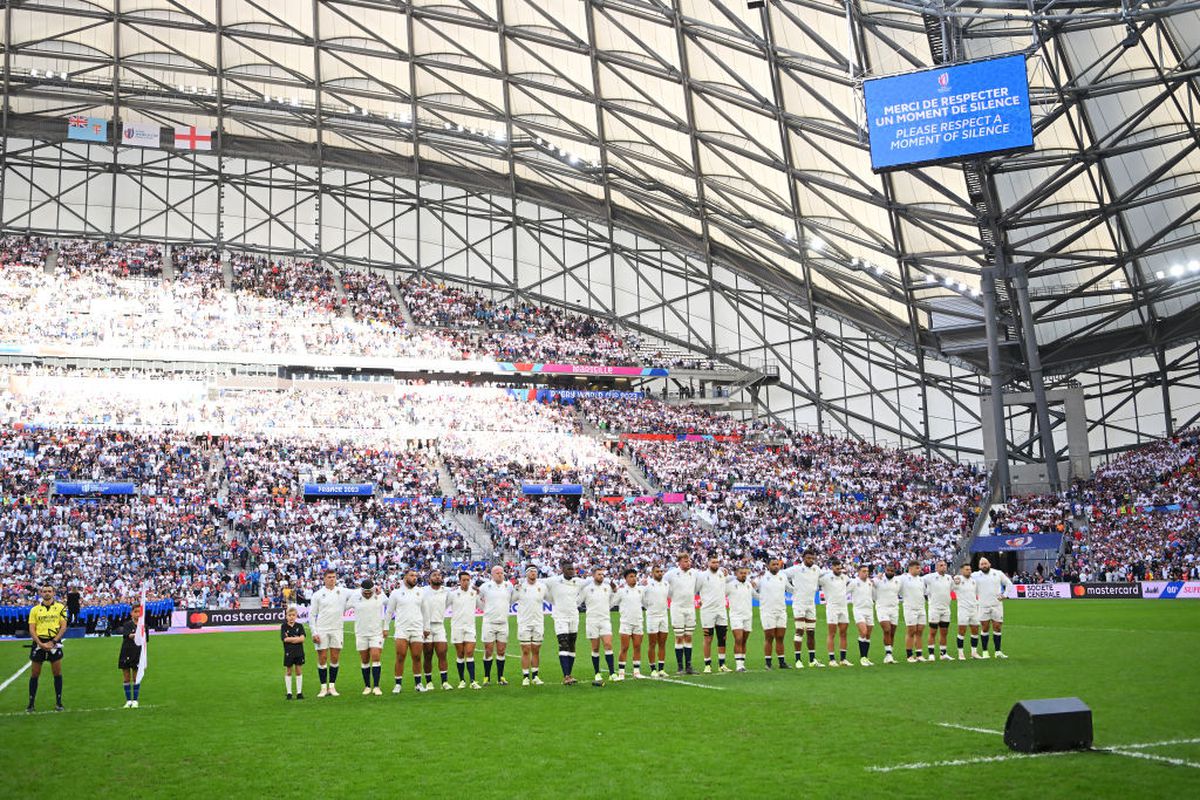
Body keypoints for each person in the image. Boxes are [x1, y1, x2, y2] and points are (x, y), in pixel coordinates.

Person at [310, 569, 354, 697]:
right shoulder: (318, 594)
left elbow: (358, 592)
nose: (332, 579)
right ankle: (323, 687)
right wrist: (314, 632)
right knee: (322, 657)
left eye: (334, 577)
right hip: (322, 629)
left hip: (337, 629)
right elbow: (312, 615)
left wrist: (373, 589)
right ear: (324, 579)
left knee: (335, 657)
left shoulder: (342, 591)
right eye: (329, 577)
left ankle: (332, 686)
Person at [544, 561, 587, 685]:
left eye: (572, 569)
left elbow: (592, 581)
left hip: (574, 616)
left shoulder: (577, 581)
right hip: (560, 617)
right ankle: (566, 675)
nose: (571, 571)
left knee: (572, 644)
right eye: (568, 569)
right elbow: (539, 583)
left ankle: (569, 674)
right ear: (562, 569)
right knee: (563, 643)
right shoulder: (554, 581)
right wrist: (553, 601)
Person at [27, 584, 67, 712]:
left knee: (57, 673)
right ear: (41, 593)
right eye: (44, 591)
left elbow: (63, 626)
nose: (47, 593)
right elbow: (32, 629)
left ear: (54, 592)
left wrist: (53, 641)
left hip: (54, 642)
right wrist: (40, 643)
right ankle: (31, 703)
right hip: (39, 642)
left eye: (49, 591)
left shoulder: (61, 608)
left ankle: (59, 702)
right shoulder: (34, 610)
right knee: (34, 674)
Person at [387, 569, 426, 693]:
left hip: (417, 628)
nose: (414, 577)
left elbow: (426, 611)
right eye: (412, 575)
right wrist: (385, 627)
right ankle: (398, 684)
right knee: (400, 656)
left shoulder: (421, 592)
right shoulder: (396, 593)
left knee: (417, 656)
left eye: (416, 575)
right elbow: (389, 612)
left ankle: (418, 684)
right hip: (402, 629)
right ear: (405, 578)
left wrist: (427, 627)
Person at [347, 579, 386, 696]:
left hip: (376, 633)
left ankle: (377, 686)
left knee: (376, 657)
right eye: (365, 592)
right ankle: (367, 686)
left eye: (370, 592)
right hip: (361, 633)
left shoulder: (380, 595)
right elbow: (343, 607)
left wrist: (381, 593)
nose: (368, 594)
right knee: (364, 660)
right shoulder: (355, 597)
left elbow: (391, 605)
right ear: (362, 590)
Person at [785, 550, 823, 667]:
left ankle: (812, 660)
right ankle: (798, 660)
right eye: (808, 558)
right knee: (800, 630)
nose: (811, 560)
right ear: (803, 558)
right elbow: (781, 575)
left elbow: (824, 577)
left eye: (812, 558)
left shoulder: (816, 569)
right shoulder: (796, 569)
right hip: (799, 603)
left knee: (811, 632)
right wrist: (791, 589)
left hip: (811, 603)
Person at [664, 553, 699, 674]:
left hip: (690, 607)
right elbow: (663, 585)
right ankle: (680, 667)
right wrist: (671, 596)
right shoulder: (672, 574)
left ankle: (688, 666)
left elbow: (701, 583)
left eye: (688, 561)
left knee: (689, 636)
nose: (688, 563)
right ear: (679, 562)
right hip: (677, 607)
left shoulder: (694, 573)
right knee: (679, 637)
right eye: (685, 561)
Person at [695, 552, 730, 674]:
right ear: (708, 563)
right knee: (708, 638)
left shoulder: (722, 574)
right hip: (708, 611)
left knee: (722, 638)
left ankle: (722, 664)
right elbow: (695, 590)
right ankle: (707, 664)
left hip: (721, 610)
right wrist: (699, 601)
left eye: (717, 562)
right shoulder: (702, 576)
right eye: (713, 562)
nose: (715, 564)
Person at [580, 567, 615, 685]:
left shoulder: (607, 587)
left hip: (605, 620)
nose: (601, 576)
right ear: (593, 575)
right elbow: (578, 601)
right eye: (599, 574)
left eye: (603, 574)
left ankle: (612, 673)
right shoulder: (587, 589)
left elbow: (612, 601)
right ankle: (597, 672)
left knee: (608, 644)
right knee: (595, 648)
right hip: (592, 621)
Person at [479, 565, 513, 685]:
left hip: (503, 622)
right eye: (497, 573)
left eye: (502, 572)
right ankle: (486, 677)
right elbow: (478, 600)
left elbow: (511, 600)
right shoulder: (485, 587)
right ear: (492, 575)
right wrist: (485, 610)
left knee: (501, 650)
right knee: (488, 650)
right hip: (489, 623)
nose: (500, 574)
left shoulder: (509, 586)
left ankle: (500, 677)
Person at [754, 557, 790, 669]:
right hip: (767, 612)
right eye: (773, 564)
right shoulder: (762, 578)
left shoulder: (783, 576)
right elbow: (751, 589)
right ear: (768, 566)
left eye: (777, 564)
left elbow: (790, 588)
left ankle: (781, 662)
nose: (776, 566)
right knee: (769, 637)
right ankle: (768, 663)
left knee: (780, 637)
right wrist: (761, 598)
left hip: (781, 611)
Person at [973, 557, 1013, 659]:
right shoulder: (975, 575)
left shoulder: (998, 573)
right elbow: (964, 579)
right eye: (982, 564)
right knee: (985, 628)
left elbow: (1009, 583)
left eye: (985, 563)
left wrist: (1005, 595)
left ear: (989, 564)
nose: (984, 565)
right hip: (983, 605)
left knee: (997, 627)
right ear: (979, 566)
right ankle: (985, 651)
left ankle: (998, 651)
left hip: (997, 605)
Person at [514, 566, 547, 686]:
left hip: (538, 622)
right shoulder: (520, 587)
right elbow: (510, 600)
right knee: (526, 650)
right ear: (526, 574)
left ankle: (535, 676)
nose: (533, 573)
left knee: (536, 650)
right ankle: (525, 677)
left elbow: (550, 598)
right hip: (524, 622)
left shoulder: (542, 587)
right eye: (531, 572)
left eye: (535, 572)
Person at [449, 571, 482, 688]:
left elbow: (482, 607)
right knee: (460, 654)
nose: (466, 582)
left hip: (470, 627)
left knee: (469, 653)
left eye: (468, 580)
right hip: (457, 627)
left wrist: (480, 595)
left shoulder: (474, 593)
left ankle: (473, 681)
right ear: (459, 581)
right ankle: (462, 680)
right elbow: (443, 606)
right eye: (464, 580)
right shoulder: (453, 594)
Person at [421, 569, 452, 691]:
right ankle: (429, 682)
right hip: (426, 626)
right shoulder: (423, 591)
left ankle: (444, 681)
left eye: (439, 575)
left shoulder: (447, 591)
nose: (438, 577)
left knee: (442, 653)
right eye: (435, 575)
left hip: (439, 625)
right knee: (428, 654)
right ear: (429, 579)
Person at [614, 568, 645, 680]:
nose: (633, 578)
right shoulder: (621, 591)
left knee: (637, 647)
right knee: (624, 647)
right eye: (631, 576)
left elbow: (646, 603)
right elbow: (612, 602)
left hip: (638, 622)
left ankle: (636, 672)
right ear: (626, 579)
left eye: (634, 576)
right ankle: (621, 673)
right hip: (626, 623)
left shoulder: (641, 590)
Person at [818, 560, 851, 666]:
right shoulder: (826, 578)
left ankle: (843, 659)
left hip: (843, 607)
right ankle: (832, 659)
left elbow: (852, 583)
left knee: (844, 633)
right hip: (832, 607)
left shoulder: (844, 577)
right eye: (836, 567)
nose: (838, 569)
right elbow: (815, 580)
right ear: (832, 567)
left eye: (840, 567)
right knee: (832, 633)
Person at [923, 560, 955, 661]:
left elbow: (952, 589)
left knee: (944, 632)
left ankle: (943, 653)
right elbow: (919, 582)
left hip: (946, 609)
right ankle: (931, 654)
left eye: (945, 565)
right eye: (941, 565)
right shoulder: (929, 577)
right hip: (934, 609)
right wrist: (926, 592)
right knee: (933, 632)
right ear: (936, 568)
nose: (943, 567)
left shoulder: (949, 578)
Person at [642, 564, 669, 678]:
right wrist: (649, 607)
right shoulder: (647, 584)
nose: (660, 573)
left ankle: (661, 669)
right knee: (652, 643)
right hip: (652, 616)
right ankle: (653, 668)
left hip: (663, 615)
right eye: (657, 571)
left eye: (661, 571)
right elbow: (642, 599)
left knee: (662, 643)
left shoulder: (666, 584)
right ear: (652, 573)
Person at [726, 566, 754, 672]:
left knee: (744, 640)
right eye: (741, 573)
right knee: (738, 638)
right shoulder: (730, 585)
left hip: (748, 615)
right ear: (736, 574)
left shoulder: (748, 585)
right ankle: (738, 665)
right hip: (736, 616)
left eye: (745, 573)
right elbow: (720, 594)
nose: (743, 575)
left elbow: (755, 595)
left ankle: (742, 663)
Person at [118, 603, 146, 708]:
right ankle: (128, 700)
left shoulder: (144, 626)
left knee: (136, 677)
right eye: (135, 612)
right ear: (131, 613)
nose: (138, 614)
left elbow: (145, 640)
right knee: (126, 677)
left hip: (137, 653)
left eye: (139, 612)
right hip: (126, 652)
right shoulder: (127, 625)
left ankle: (135, 700)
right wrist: (135, 635)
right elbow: (127, 635)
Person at [899, 561, 928, 663]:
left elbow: (924, 592)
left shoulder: (921, 580)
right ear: (910, 568)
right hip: (910, 608)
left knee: (920, 631)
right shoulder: (903, 578)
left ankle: (919, 654)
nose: (919, 570)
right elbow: (894, 585)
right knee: (911, 631)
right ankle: (909, 655)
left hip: (921, 608)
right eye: (917, 568)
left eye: (919, 568)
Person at [873, 563, 902, 664]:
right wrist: (877, 577)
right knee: (887, 629)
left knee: (892, 632)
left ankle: (889, 654)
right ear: (885, 570)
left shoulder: (898, 581)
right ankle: (888, 654)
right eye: (888, 570)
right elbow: (871, 583)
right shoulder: (879, 579)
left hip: (894, 608)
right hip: (882, 608)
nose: (890, 572)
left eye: (892, 571)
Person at [848, 564, 875, 666]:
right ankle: (862, 657)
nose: (866, 573)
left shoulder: (870, 582)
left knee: (868, 635)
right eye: (863, 571)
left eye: (867, 571)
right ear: (858, 572)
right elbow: (844, 592)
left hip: (869, 609)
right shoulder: (854, 582)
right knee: (863, 631)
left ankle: (866, 657)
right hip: (858, 610)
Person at [953, 564, 982, 660]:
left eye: (970, 569)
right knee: (962, 631)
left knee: (975, 630)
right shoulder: (958, 580)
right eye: (966, 569)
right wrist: (955, 581)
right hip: (963, 609)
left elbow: (978, 593)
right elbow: (950, 587)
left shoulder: (974, 581)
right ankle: (960, 653)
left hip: (974, 609)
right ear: (962, 571)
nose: (969, 571)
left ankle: (974, 652)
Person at [281, 606, 306, 700]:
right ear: (286, 616)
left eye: (293, 615)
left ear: (296, 616)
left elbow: (303, 639)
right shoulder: (284, 626)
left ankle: (299, 693)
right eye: (289, 615)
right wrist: (297, 638)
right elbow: (285, 639)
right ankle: (289, 693)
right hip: (288, 652)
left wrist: (291, 639)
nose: (291, 617)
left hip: (299, 652)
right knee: (288, 671)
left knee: (299, 670)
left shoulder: (299, 626)